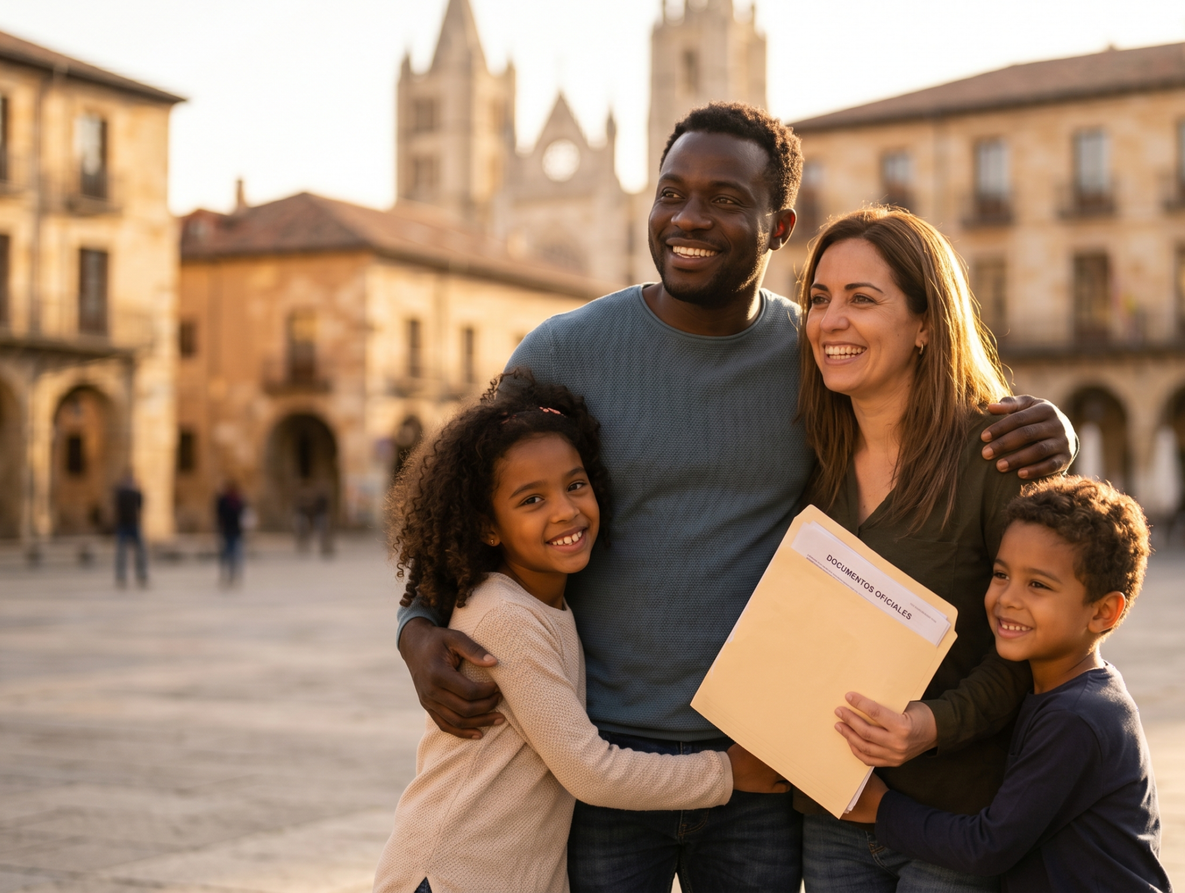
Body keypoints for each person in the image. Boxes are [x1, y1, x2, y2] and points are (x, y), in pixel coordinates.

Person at [395, 102, 1077, 893]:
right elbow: (463, 499)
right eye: (671, 191)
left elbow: (933, 405)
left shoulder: (816, 357)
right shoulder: (564, 348)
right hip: (608, 761)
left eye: (725, 199)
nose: (690, 217)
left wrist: (1052, 427)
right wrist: (414, 626)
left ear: (779, 226)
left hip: (765, 768)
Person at [374, 370, 785, 893]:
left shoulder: (545, 603)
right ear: (487, 527)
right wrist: (727, 773)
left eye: (574, 485)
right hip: (452, 874)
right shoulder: (505, 617)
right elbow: (590, 771)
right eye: (531, 500)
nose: (566, 510)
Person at [791, 207, 1031, 892]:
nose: (830, 321)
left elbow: (1038, 644)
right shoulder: (809, 459)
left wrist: (932, 723)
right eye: (818, 298)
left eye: (862, 299)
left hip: (953, 813)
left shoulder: (996, 455)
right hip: (833, 804)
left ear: (926, 324)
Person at [842, 476, 1171, 892]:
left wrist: (880, 808)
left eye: (1037, 585)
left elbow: (988, 846)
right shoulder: (1066, 693)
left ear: (1104, 612)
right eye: (1000, 574)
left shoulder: (1077, 717)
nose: (1008, 598)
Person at [114, 471, 147, 587]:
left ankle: (138, 575)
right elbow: (140, 504)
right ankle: (124, 576)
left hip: (130, 524)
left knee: (138, 551)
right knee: (123, 552)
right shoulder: (128, 493)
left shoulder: (123, 493)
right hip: (128, 525)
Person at [214, 481, 247, 588]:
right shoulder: (225, 500)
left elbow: (243, 515)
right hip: (227, 530)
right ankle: (228, 574)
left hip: (235, 530)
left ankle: (233, 574)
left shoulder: (238, 500)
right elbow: (219, 514)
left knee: (234, 553)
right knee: (227, 553)